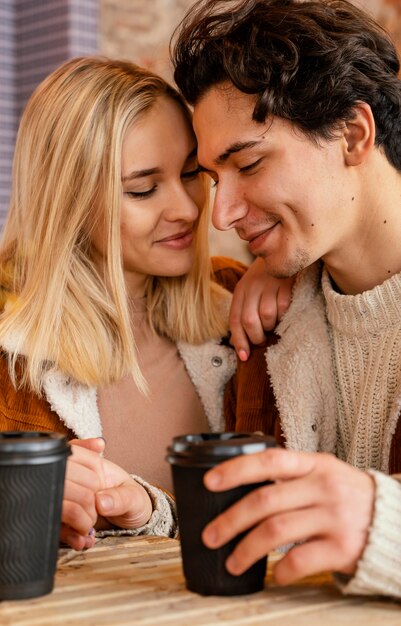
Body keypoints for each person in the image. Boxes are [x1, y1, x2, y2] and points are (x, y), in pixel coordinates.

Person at [0, 56, 281, 552]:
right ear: (69, 202)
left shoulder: (243, 302)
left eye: (192, 174)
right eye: (142, 189)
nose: (188, 210)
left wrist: (292, 270)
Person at [171, 0, 401, 598]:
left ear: (353, 133)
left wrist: (384, 525)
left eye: (248, 163)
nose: (219, 215)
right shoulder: (266, 325)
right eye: (215, 178)